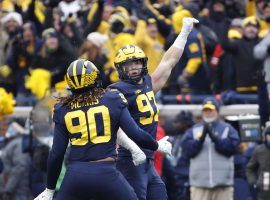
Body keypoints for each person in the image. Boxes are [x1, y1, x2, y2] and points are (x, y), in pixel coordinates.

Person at [34, 59, 172, 200]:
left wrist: (50, 189)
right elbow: (135, 133)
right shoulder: (112, 98)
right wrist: (156, 145)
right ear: (95, 78)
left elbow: (57, 153)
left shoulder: (61, 108)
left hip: (75, 176)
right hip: (106, 172)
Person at [109, 17, 198, 200]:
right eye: (127, 65)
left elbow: (169, 61)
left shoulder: (147, 84)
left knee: (160, 195)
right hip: (129, 158)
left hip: (148, 159)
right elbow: (113, 126)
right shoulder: (117, 90)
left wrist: (184, 32)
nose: (133, 68)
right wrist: (133, 148)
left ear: (143, 63)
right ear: (120, 68)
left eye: (135, 63)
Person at [181, 97, 240, 200]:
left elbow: (233, 148)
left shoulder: (228, 129)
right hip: (200, 186)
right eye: (205, 110)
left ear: (217, 111)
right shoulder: (193, 130)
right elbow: (187, 151)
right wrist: (200, 139)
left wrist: (216, 139)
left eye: (211, 110)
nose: (208, 113)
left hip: (223, 186)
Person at [246, 123, 270, 200]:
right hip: (264, 188)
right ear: (266, 136)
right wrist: (253, 182)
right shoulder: (259, 150)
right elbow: (250, 168)